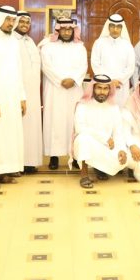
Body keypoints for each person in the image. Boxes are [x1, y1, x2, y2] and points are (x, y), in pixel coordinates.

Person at [40, 17, 88, 170]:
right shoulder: (48, 47)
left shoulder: (80, 47)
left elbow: (83, 66)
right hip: (54, 90)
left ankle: (75, 156)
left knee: (74, 121)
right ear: (58, 30)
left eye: (69, 29)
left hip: (74, 89)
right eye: (64, 29)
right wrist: (61, 80)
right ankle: (53, 156)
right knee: (54, 121)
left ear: (73, 31)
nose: (67, 32)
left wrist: (73, 79)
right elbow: (46, 66)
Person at [0, 6, 25, 187]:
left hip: (12, 96)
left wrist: (22, 97)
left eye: (13, 20)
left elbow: (18, 71)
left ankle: (4, 171)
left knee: (9, 135)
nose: (11, 23)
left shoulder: (13, 42)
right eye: (8, 19)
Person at [73, 75, 128, 189]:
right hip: (89, 143)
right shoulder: (83, 105)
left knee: (126, 157)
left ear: (109, 90)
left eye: (105, 88)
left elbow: (118, 131)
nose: (102, 91)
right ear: (93, 88)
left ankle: (100, 168)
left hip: (107, 146)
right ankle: (84, 174)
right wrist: (104, 138)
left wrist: (122, 149)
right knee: (83, 139)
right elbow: (80, 128)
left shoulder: (114, 108)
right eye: (99, 88)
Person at [13, 11, 43, 174]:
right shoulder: (11, 40)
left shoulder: (30, 41)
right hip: (18, 91)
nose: (25, 25)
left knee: (32, 127)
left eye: (27, 22)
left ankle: (30, 162)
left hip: (33, 93)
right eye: (22, 22)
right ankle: (18, 163)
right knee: (19, 127)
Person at [91, 14, 135, 107]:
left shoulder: (127, 45)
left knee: (121, 110)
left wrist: (119, 80)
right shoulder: (99, 43)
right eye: (112, 26)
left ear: (122, 28)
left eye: (118, 27)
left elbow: (130, 67)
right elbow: (95, 64)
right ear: (108, 27)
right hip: (103, 86)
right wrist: (108, 81)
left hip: (120, 86)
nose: (115, 29)